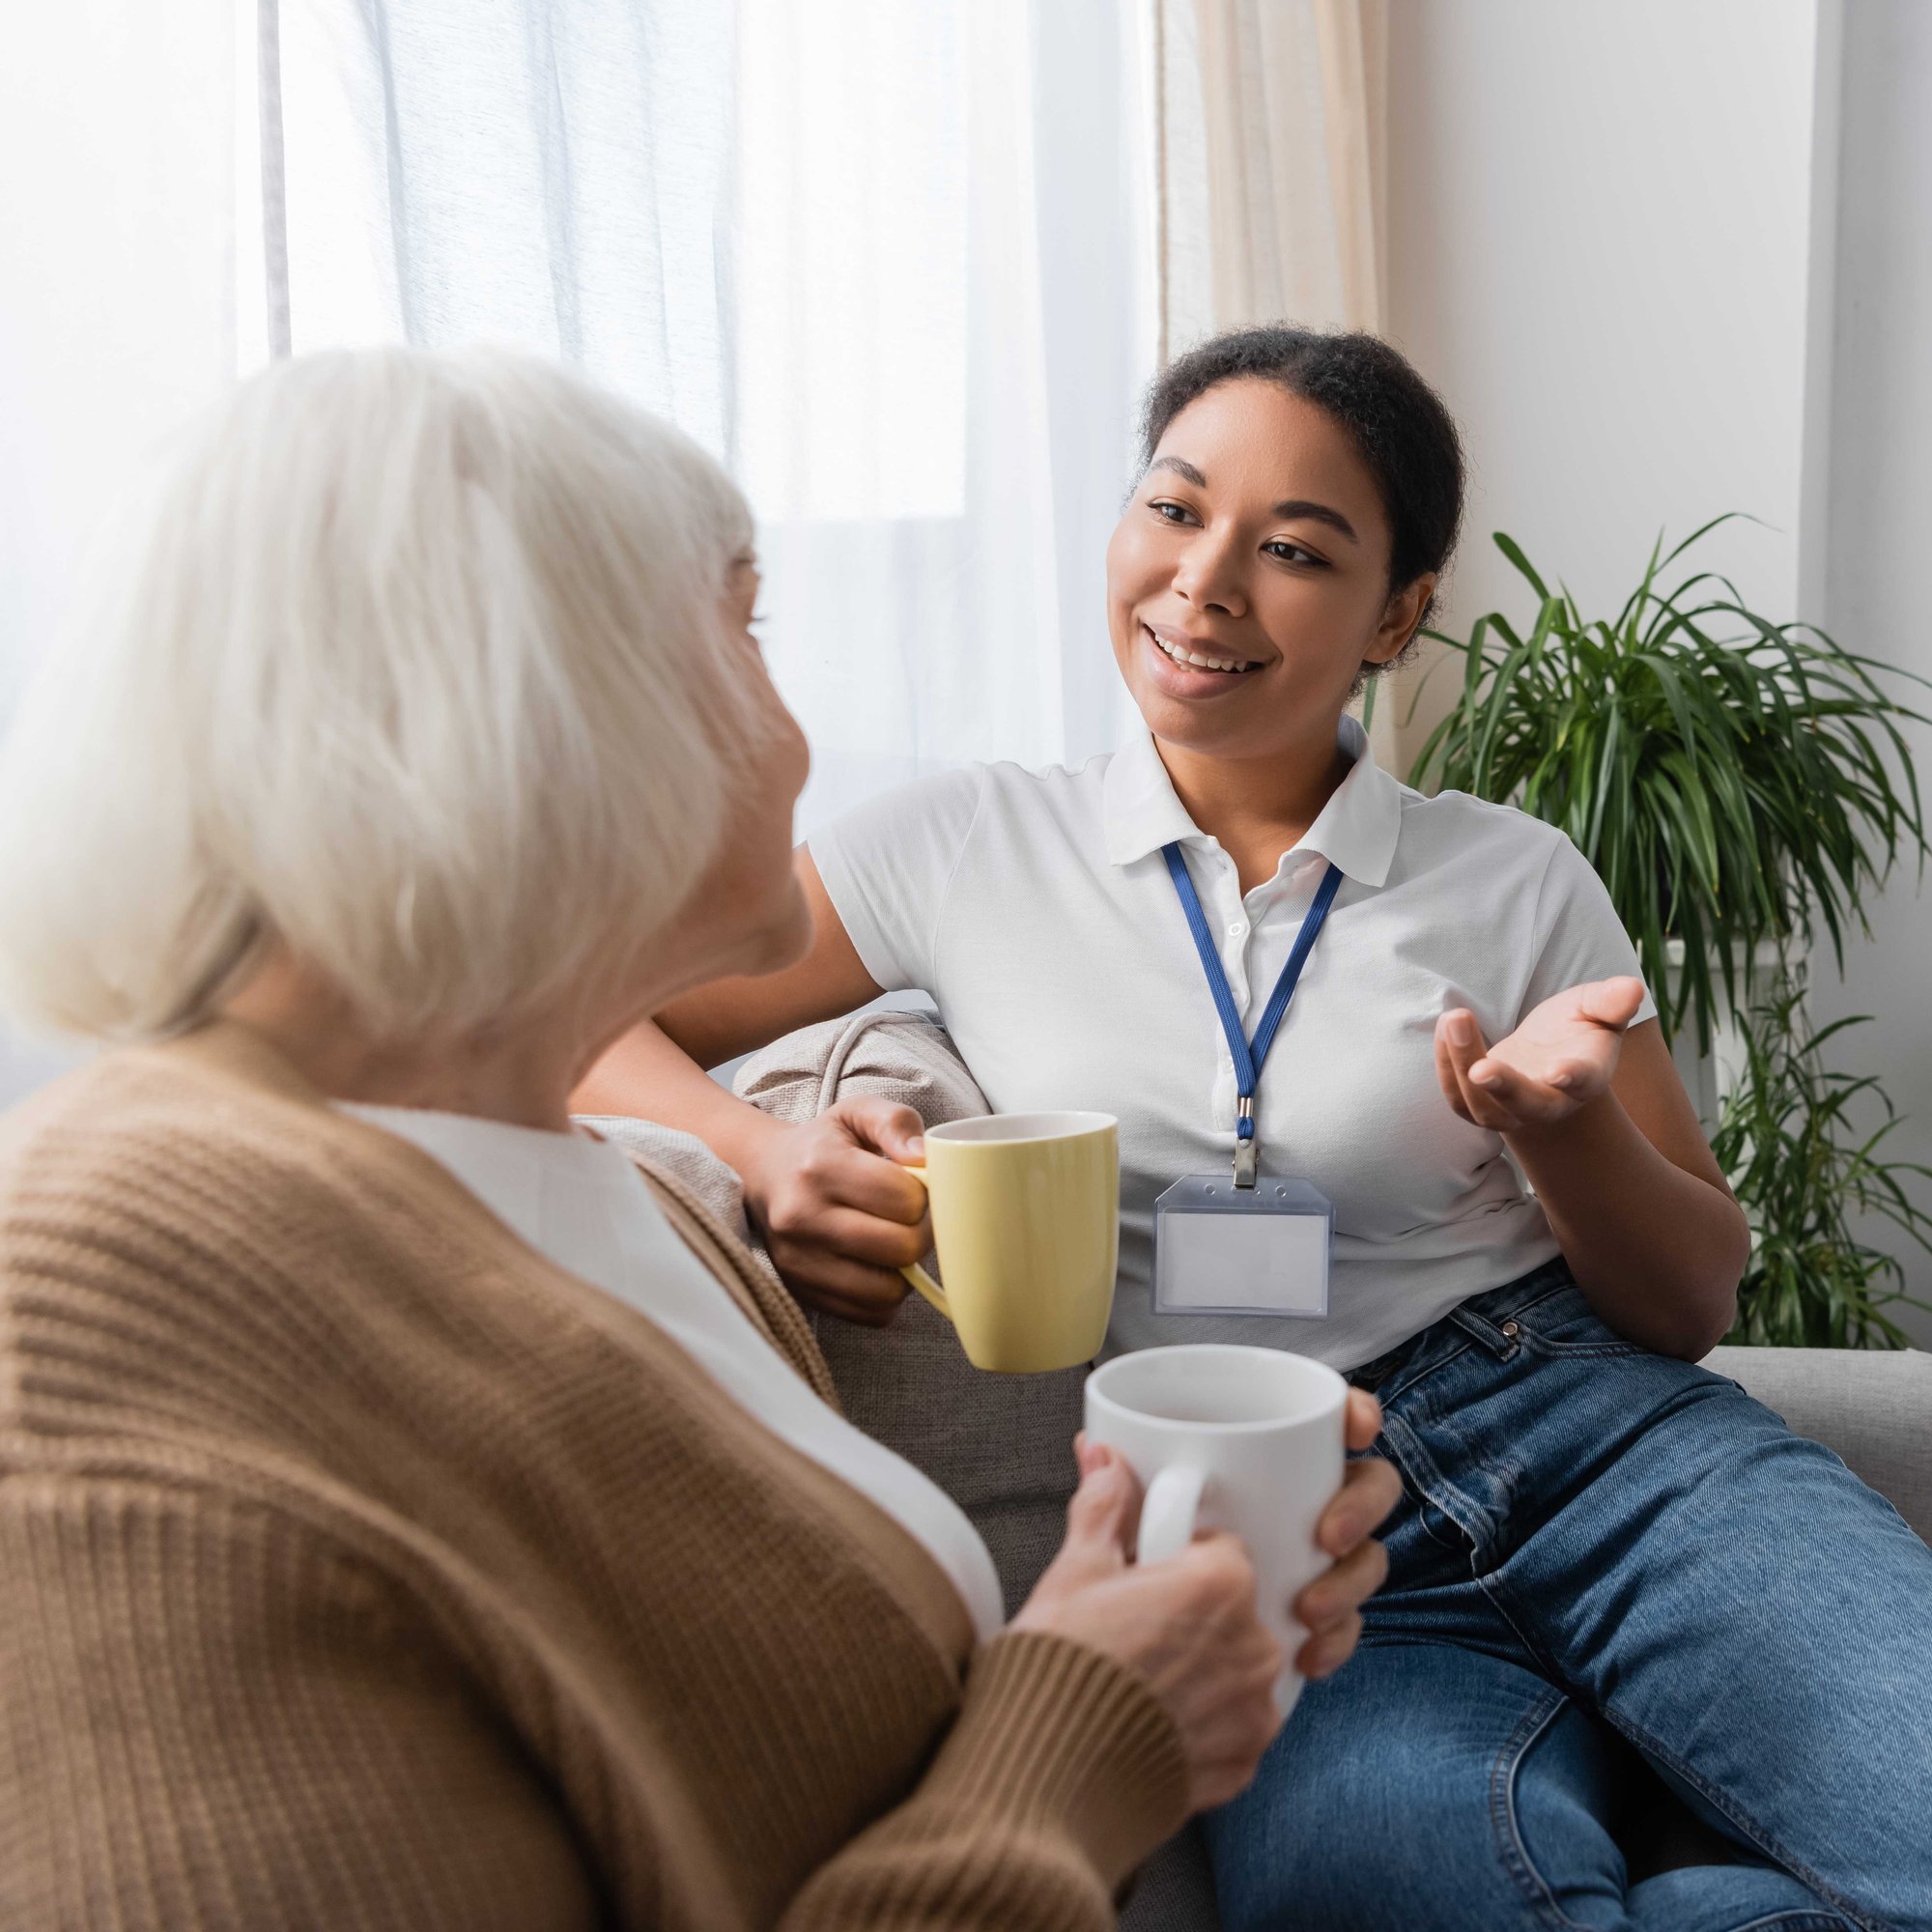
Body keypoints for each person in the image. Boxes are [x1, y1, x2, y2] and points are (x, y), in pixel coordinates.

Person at [0, 347, 1402, 1932]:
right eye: (746, 629)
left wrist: (1105, 1629)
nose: (796, 735)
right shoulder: (93, 1357)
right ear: (521, 712)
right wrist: (1085, 1738)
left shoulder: (566, 1181)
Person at [581, 326, 1932, 1932]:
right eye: (1173, 509)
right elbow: (576, 1013)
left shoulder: (1513, 875)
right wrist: (761, 1153)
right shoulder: (960, 844)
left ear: (1397, 616)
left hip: (1594, 1441)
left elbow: (1691, 1302)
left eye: (1295, 550)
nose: (1205, 582)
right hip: (1284, 1526)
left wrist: (1568, 1135)